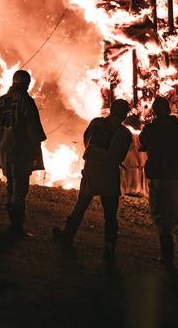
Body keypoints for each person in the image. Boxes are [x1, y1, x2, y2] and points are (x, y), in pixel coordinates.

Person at [52, 99, 133, 259]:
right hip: (109, 174)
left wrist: (95, 157)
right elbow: (121, 156)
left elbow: (86, 141)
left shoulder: (96, 123)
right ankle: (109, 246)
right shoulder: (125, 134)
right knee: (110, 213)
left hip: (92, 170)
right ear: (124, 115)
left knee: (81, 205)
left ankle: (68, 234)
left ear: (111, 110)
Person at [0, 69, 46, 237]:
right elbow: (33, 129)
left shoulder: (0, 101)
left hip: (4, 150)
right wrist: (34, 147)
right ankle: (16, 227)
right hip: (20, 150)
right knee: (20, 189)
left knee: (11, 185)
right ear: (26, 84)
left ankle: (11, 222)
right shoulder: (25, 101)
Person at [138, 96, 178, 267]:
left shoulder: (152, 128)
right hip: (175, 178)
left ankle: (168, 257)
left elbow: (142, 144)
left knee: (160, 216)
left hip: (159, 177)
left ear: (154, 111)